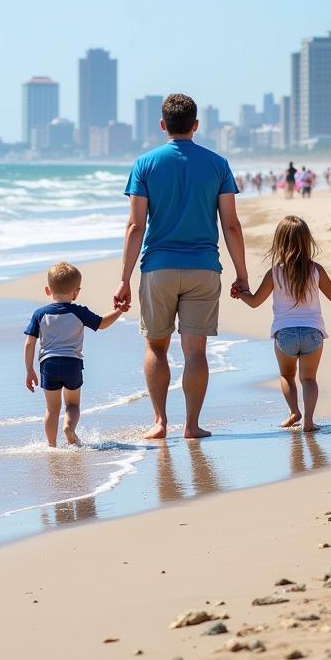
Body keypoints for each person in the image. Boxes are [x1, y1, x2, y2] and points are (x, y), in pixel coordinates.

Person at [116, 93, 248, 439]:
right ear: (196, 125)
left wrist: (124, 279)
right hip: (204, 268)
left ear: (162, 125)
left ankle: (160, 422)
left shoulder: (145, 164)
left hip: (158, 268)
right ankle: (191, 425)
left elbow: (136, 226)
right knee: (195, 350)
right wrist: (243, 275)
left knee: (156, 347)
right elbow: (231, 224)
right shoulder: (217, 164)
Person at [234, 216, 331, 432]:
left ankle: (294, 412)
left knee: (287, 375)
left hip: (285, 335)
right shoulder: (315, 270)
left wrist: (240, 294)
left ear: (279, 242)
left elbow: (255, 302)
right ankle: (309, 421)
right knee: (309, 378)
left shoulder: (275, 272)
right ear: (306, 240)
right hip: (313, 333)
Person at [24, 262, 124, 446]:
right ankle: (68, 428)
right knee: (72, 405)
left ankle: (52, 445)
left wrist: (29, 369)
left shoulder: (40, 314)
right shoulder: (79, 312)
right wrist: (119, 310)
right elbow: (102, 324)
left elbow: (30, 342)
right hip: (72, 363)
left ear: (48, 290)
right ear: (76, 292)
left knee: (52, 409)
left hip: (49, 365)